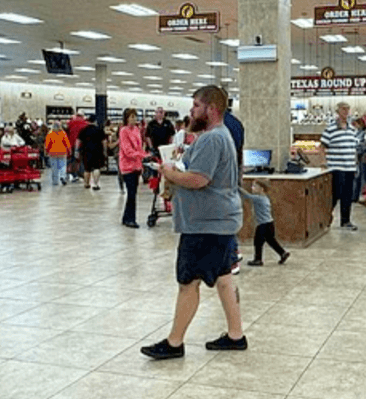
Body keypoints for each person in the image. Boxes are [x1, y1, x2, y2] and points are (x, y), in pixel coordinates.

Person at [142, 86, 246, 360]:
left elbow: (199, 179)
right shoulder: (217, 137)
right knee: (224, 278)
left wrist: (169, 173)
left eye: (196, 106)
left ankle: (174, 342)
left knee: (189, 282)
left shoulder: (212, 139)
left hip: (205, 225)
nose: (191, 111)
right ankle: (236, 335)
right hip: (219, 221)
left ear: (211, 109)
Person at [320, 101, 358, 231]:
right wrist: (323, 162)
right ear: (338, 111)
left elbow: (354, 148)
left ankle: (345, 221)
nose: (345, 112)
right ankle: (324, 218)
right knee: (335, 195)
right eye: (343, 109)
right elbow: (322, 147)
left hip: (350, 167)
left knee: (348, 195)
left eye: (347, 109)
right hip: (336, 167)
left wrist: (355, 162)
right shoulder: (330, 129)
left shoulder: (352, 129)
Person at [240, 179, 290, 266]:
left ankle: (258, 260)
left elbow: (247, 196)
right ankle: (283, 253)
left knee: (257, 242)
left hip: (263, 225)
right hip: (270, 224)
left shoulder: (258, 198)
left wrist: (237, 187)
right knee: (271, 241)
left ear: (261, 189)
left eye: (254, 186)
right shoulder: (265, 198)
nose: (252, 188)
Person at [119, 108, 149, 228]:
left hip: (136, 165)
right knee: (131, 193)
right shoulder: (123, 131)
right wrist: (142, 155)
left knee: (133, 193)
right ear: (126, 118)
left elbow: (139, 146)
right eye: (131, 117)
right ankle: (130, 219)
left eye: (135, 117)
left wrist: (143, 156)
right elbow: (127, 151)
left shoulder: (136, 130)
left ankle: (126, 217)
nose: (134, 119)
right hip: (127, 166)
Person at [76, 117, 107, 190]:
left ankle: (86, 184)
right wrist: (105, 151)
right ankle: (96, 184)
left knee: (87, 169)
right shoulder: (99, 129)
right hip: (97, 151)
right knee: (96, 168)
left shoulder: (83, 130)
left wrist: (77, 151)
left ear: (88, 121)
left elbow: (78, 141)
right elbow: (104, 141)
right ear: (95, 121)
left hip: (86, 151)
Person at [351, 117, 366, 203]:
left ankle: (360, 195)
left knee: (362, 176)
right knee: (357, 177)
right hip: (358, 157)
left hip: (362, 157)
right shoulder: (357, 133)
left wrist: (357, 149)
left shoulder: (365, 133)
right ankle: (355, 195)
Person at [45, 122, 71, 186]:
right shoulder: (63, 133)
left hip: (52, 153)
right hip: (62, 152)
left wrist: (47, 151)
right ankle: (62, 176)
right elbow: (67, 143)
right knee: (62, 166)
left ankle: (55, 181)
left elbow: (47, 145)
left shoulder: (50, 134)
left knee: (54, 167)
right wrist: (69, 151)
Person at [66, 112, 89, 182]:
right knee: (81, 159)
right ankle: (81, 174)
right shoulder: (85, 123)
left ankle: (73, 174)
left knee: (73, 159)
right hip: (82, 144)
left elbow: (68, 131)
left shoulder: (71, 122)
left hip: (72, 143)